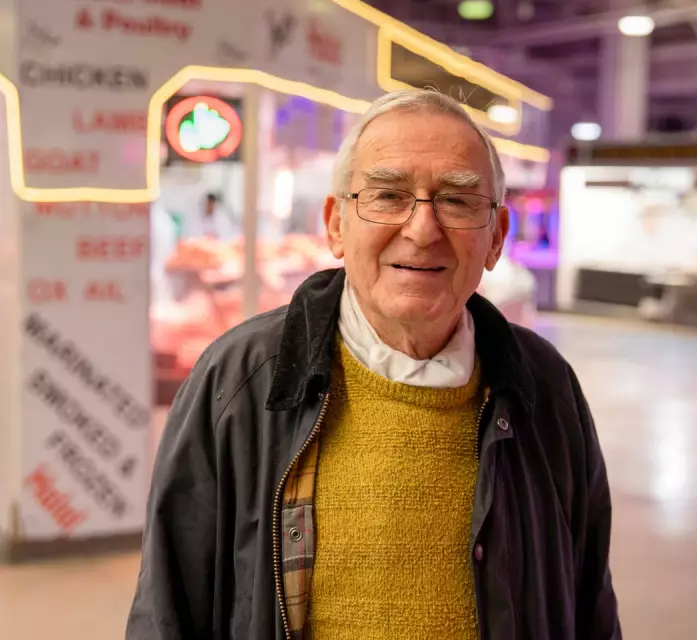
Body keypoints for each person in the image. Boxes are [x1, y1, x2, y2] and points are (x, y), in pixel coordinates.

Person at [127, 89, 621, 640]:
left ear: (497, 238)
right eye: (388, 196)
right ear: (336, 224)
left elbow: (588, 601)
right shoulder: (241, 380)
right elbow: (168, 610)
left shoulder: (543, 387)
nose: (421, 229)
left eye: (457, 202)